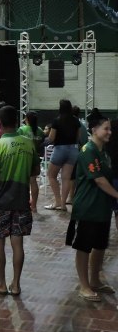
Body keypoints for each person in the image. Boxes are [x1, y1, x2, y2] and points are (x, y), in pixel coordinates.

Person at [0, 105, 40, 297]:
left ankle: (1, 283)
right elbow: (35, 172)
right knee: (18, 244)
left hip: (0, 203)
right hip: (22, 201)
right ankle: (16, 285)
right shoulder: (29, 144)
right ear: (17, 122)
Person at [66, 110, 118, 301]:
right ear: (94, 130)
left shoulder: (104, 152)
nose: (109, 132)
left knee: (100, 246)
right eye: (106, 129)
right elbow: (99, 180)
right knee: (84, 246)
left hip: (102, 208)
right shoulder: (88, 151)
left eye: (110, 129)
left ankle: (95, 281)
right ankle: (84, 286)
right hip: (87, 208)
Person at [45, 99, 83, 211]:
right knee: (66, 178)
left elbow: (51, 138)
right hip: (73, 150)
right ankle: (63, 204)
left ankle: (57, 201)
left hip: (60, 149)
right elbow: (78, 138)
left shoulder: (57, 120)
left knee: (51, 176)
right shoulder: (76, 121)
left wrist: (45, 138)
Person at [18, 111, 45, 212]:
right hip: (36, 158)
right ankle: (34, 206)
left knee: (23, 182)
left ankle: (24, 204)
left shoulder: (21, 130)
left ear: (26, 119)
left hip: (23, 158)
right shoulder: (40, 131)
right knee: (33, 181)